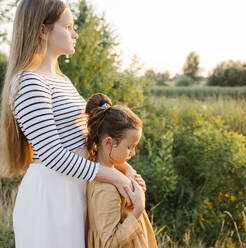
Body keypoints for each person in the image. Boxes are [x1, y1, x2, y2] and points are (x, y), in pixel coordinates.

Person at [0, 0, 141, 247]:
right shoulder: (30, 83)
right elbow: (53, 155)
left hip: (72, 191)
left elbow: (84, 142)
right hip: (52, 198)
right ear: (42, 30)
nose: (75, 34)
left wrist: (123, 170)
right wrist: (115, 178)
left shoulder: (60, 80)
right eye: (68, 27)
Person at [77, 93, 156, 248]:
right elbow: (109, 243)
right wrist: (137, 209)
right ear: (108, 143)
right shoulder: (105, 189)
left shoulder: (114, 174)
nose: (133, 153)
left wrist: (130, 177)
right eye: (129, 147)